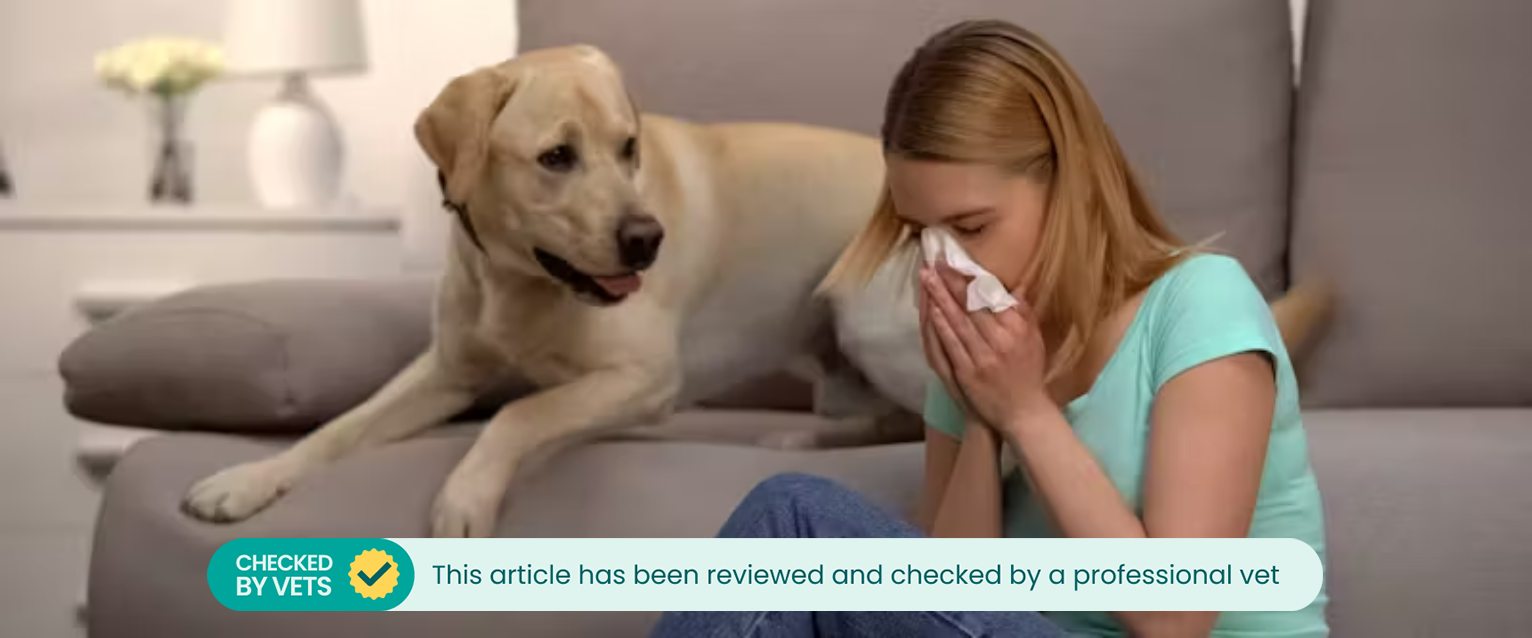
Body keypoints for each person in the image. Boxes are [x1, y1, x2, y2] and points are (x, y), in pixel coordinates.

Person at [651, 18, 1328, 638]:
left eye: (972, 227)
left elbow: (1173, 618)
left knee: (793, 519)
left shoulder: (1202, 304)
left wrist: (1027, 412)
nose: (949, 264)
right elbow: (953, 606)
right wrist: (981, 413)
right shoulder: (982, 351)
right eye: (923, 235)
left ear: (1069, 183)